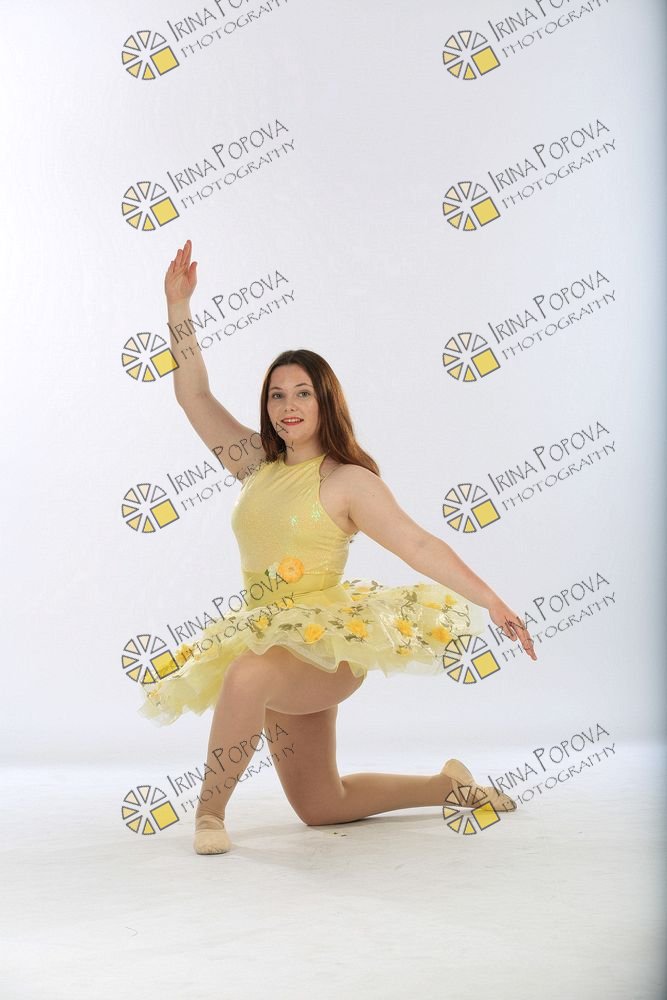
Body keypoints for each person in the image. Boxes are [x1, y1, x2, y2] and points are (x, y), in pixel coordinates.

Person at [139, 239, 538, 855]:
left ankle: (209, 817)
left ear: (325, 400)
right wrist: (178, 309)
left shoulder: (347, 481)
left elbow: (417, 544)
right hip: (270, 633)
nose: (288, 406)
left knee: (246, 676)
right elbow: (193, 395)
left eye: (302, 393)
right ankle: (450, 786)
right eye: (277, 395)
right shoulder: (255, 464)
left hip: (327, 646)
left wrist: (493, 600)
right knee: (322, 806)